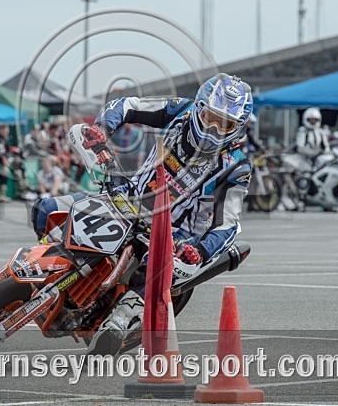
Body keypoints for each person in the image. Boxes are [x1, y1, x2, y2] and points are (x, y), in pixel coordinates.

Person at [32, 73, 253, 355]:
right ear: (199, 108)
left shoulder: (237, 166)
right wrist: (102, 128)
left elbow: (228, 224)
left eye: (224, 124)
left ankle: (123, 317)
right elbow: (127, 106)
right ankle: (48, 269)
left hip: (176, 234)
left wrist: (199, 250)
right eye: (210, 116)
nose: (212, 128)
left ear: (238, 128)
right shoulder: (179, 111)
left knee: (155, 264)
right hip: (129, 198)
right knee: (45, 210)